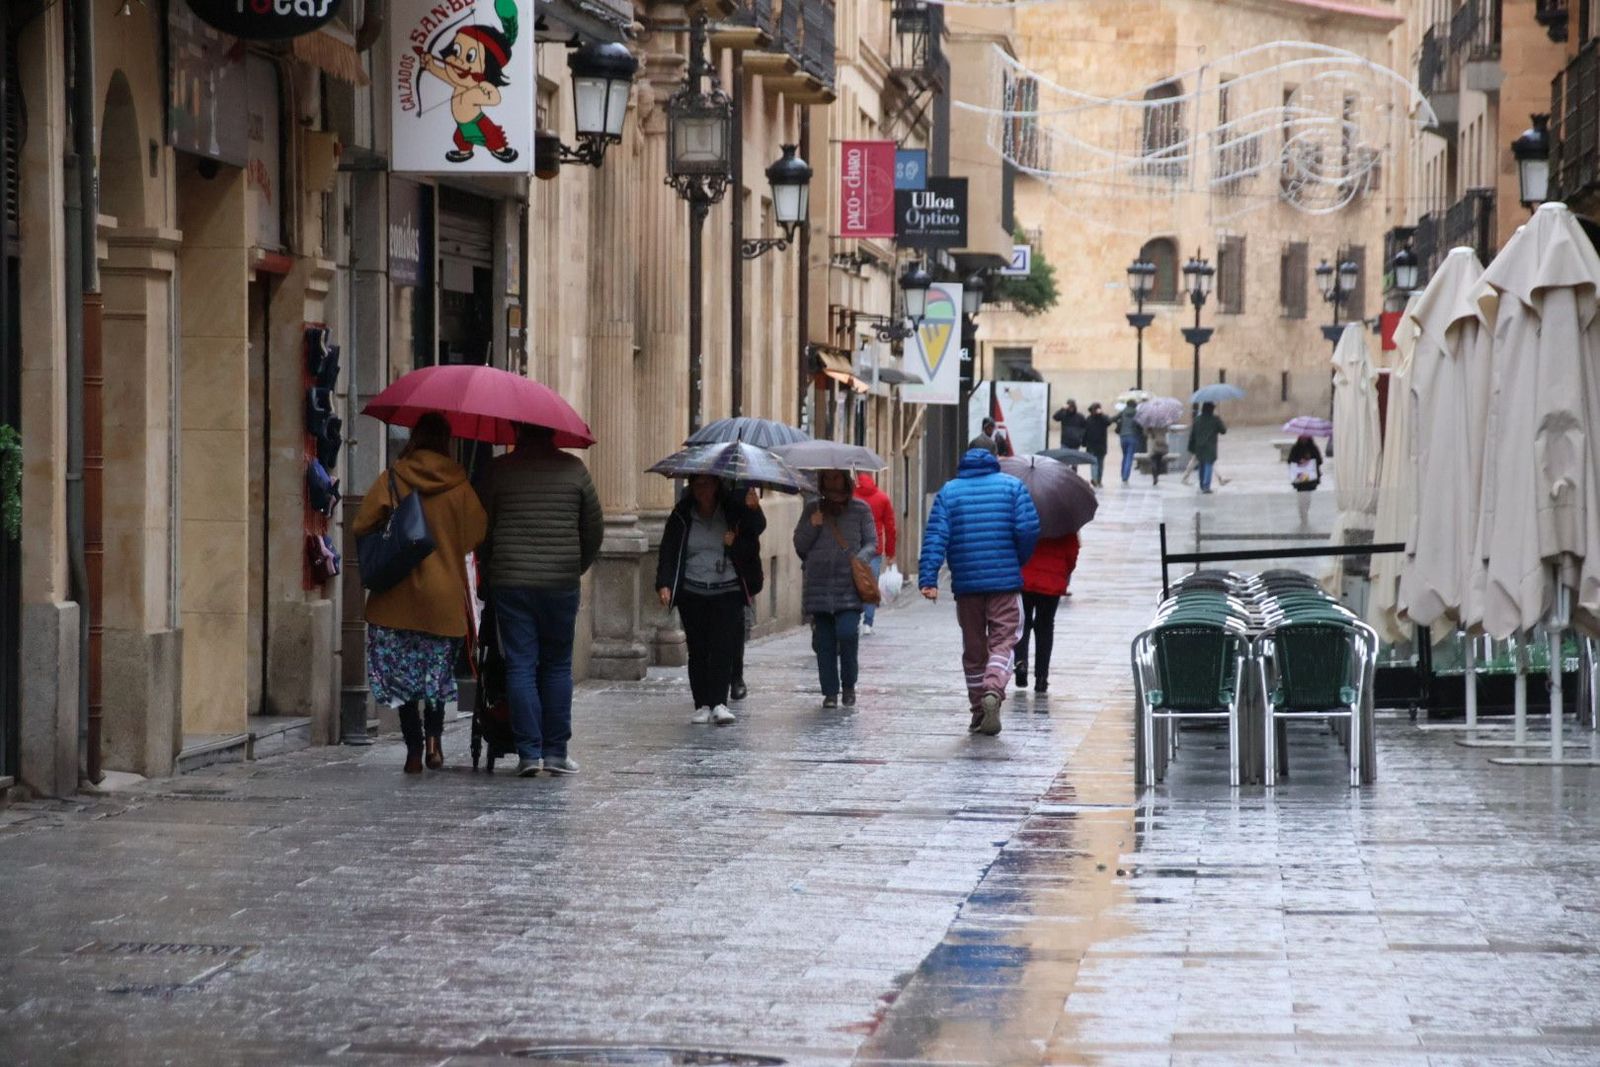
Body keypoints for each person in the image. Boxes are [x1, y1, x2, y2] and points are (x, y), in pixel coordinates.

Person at [351, 413, 487, 774]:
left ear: (415, 437)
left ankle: (412, 749)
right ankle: (434, 741)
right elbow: (476, 534)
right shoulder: (460, 484)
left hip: (396, 597)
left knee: (404, 679)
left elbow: (362, 523)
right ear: (445, 440)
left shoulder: (394, 477)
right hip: (443, 599)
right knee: (435, 677)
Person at [477, 423, 604, 777]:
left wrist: (490, 567)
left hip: (512, 580)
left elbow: (482, 528)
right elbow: (594, 530)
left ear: (518, 433)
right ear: (553, 433)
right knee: (557, 665)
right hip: (560, 581)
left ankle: (528, 753)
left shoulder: (500, 471)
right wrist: (574, 564)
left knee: (520, 664)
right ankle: (556, 752)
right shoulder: (574, 470)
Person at [918, 444, 1041, 736]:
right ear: (995, 458)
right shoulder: (1013, 488)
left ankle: (977, 712)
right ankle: (993, 688)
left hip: (967, 585)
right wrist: (1016, 559)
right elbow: (1027, 530)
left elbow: (936, 534)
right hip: (1004, 583)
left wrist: (928, 578)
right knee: (1004, 640)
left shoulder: (949, 491)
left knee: (974, 650)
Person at [656, 476, 765, 725]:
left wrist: (752, 510)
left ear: (717, 486)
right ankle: (702, 704)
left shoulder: (733, 509)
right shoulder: (682, 514)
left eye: (708, 484)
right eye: (698, 485)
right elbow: (669, 549)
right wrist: (664, 583)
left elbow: (755, 531)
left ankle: (719, 703)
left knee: (722, 647)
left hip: (727, 590)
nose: (703, 490)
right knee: (698, 649)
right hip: (692, 590)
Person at [794, 471, 878, 708]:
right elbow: (800, 546)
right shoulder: (812, 509)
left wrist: (860, 559)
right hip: (819, 584)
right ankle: (830, 692)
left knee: (848, 633)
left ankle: (849, 684)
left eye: (836, 478)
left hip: (849, 583)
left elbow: (872, 541)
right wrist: (812, 526)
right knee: (824, 642)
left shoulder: (861, 509)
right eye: (827, 479)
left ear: (845, 480)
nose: (832, 483)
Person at [1016, 532, 1080, 698]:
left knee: (1023, 622)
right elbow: (1072, 553)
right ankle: (1041, 677)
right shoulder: (1064, 522)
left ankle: (1021, 662)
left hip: (1025, 578)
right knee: (1045, 626)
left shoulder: (1025, 514)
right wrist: (1063, 572)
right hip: (1052, 581)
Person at [854, 472, 897, 634]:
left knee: (855, 584)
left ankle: (855, 618)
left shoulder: (852, 497)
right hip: (875, 548)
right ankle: (868, 623)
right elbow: (890, 527)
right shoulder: (882, 498)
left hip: (855, 548)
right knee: (871, 586)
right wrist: (890, 553)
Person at [1186, 402, 1227, 494]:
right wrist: (1219, 420)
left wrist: (1191, 446)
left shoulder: (1197, 419)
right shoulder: (1215, 419)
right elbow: (1223, 430)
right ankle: (1206, 486)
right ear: (1212, 409)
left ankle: (1202, 484)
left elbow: (1193, 434)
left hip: (1199, 446)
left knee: (1202, 465)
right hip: (1210, 446)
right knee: (1208, 464)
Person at [1288, 435, 1323, 526]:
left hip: (1310, 478)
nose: (1304, 440)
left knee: (1307, 497)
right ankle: (1302, 515)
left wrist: (1309, 460)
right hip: (1299, 477)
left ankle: (1305, 512)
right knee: (1301, 497)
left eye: (1305, 438)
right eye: (1302, 438)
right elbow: (1290, 460)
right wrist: (1299, 461)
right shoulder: (1295, 448)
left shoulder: (1313, 448)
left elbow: (1319, 460)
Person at [1115, 401, 1145, 485]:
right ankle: (1125, 476)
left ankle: (1122, 474)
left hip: (1123, 436)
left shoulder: (1123, 412)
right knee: (1129, 456)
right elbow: (1141, 425)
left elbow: (1112, 419)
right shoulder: (1137, 413)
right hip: (1132, 436)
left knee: (1124, 456)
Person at [1083, 402, 1111, 488]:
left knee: (1100, 464)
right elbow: (1085, 432)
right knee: (1095, 463)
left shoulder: (1103, 419)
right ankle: (1095, 480)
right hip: (1092, 445)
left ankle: (1098, 480)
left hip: (1100, 445)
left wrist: (1101, 414)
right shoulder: (1088, 419)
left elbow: (1109, 422)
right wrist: (1084, 442)